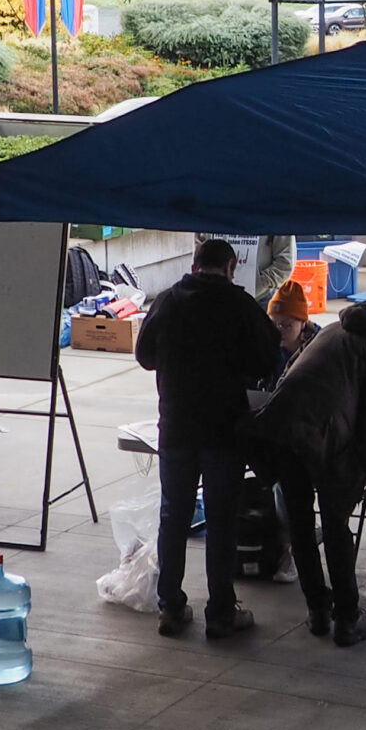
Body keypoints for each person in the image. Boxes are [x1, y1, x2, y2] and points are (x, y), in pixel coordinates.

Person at [136, 238, 282, 640]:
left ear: (195, 263)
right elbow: (268, 358)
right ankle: (220, 611)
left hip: (178, 426)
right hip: (224, 429)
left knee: (174, 515)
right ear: (232, 266)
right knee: (220, 519)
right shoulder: (239, 304)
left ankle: (171, 607)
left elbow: (145, 355)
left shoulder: (167, 301)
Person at [251, 290, 366, 647]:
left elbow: (289, 383)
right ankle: (348, 618)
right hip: (320, 435)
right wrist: (361, 471)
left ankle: (319, 612)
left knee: (300, 524)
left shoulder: (328, 333)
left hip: (282, 428)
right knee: (336, 526)